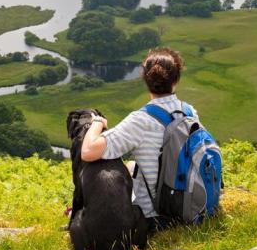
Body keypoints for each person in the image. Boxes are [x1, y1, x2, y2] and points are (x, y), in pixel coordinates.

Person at [80, 47, 198, 233]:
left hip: (159, 218)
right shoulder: (190, 112)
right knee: (131, 166)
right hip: (192, 205)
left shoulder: (140, 120)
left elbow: (88, 152)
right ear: (176, 80)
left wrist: (97, 122)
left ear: (146, 79)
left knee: (125, 168)